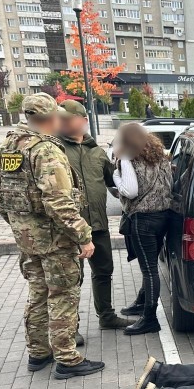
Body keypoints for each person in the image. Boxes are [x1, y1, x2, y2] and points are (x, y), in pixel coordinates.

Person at [0, 93, 104, 379]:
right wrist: (83, 236)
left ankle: (38, 353)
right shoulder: (45, 150)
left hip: (28, 240)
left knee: (38, 293)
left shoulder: (9, 146)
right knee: (62, 294)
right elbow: (58, 201)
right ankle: (67, 359)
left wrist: (17, 223)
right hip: (55, 240)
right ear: (51, 118)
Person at [58, 100, 132, 333]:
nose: (63, 122)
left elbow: (114, 181)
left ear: (82, 120)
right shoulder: (55, 150)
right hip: (69, 229)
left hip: (98, 225)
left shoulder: (97, 152)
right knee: (71, 279)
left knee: (103, 271)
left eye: (68, 118)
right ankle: (71, 329)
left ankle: (106, 316)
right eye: (61, 118)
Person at [112, 123, 173, 335]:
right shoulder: (161, 156)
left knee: (149, 269)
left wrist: (115, 177)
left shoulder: (129, 157)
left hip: (143, 219)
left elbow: (130, 191)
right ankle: (141, 301)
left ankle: (149, 318)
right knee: (151, 265)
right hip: (164, 216)